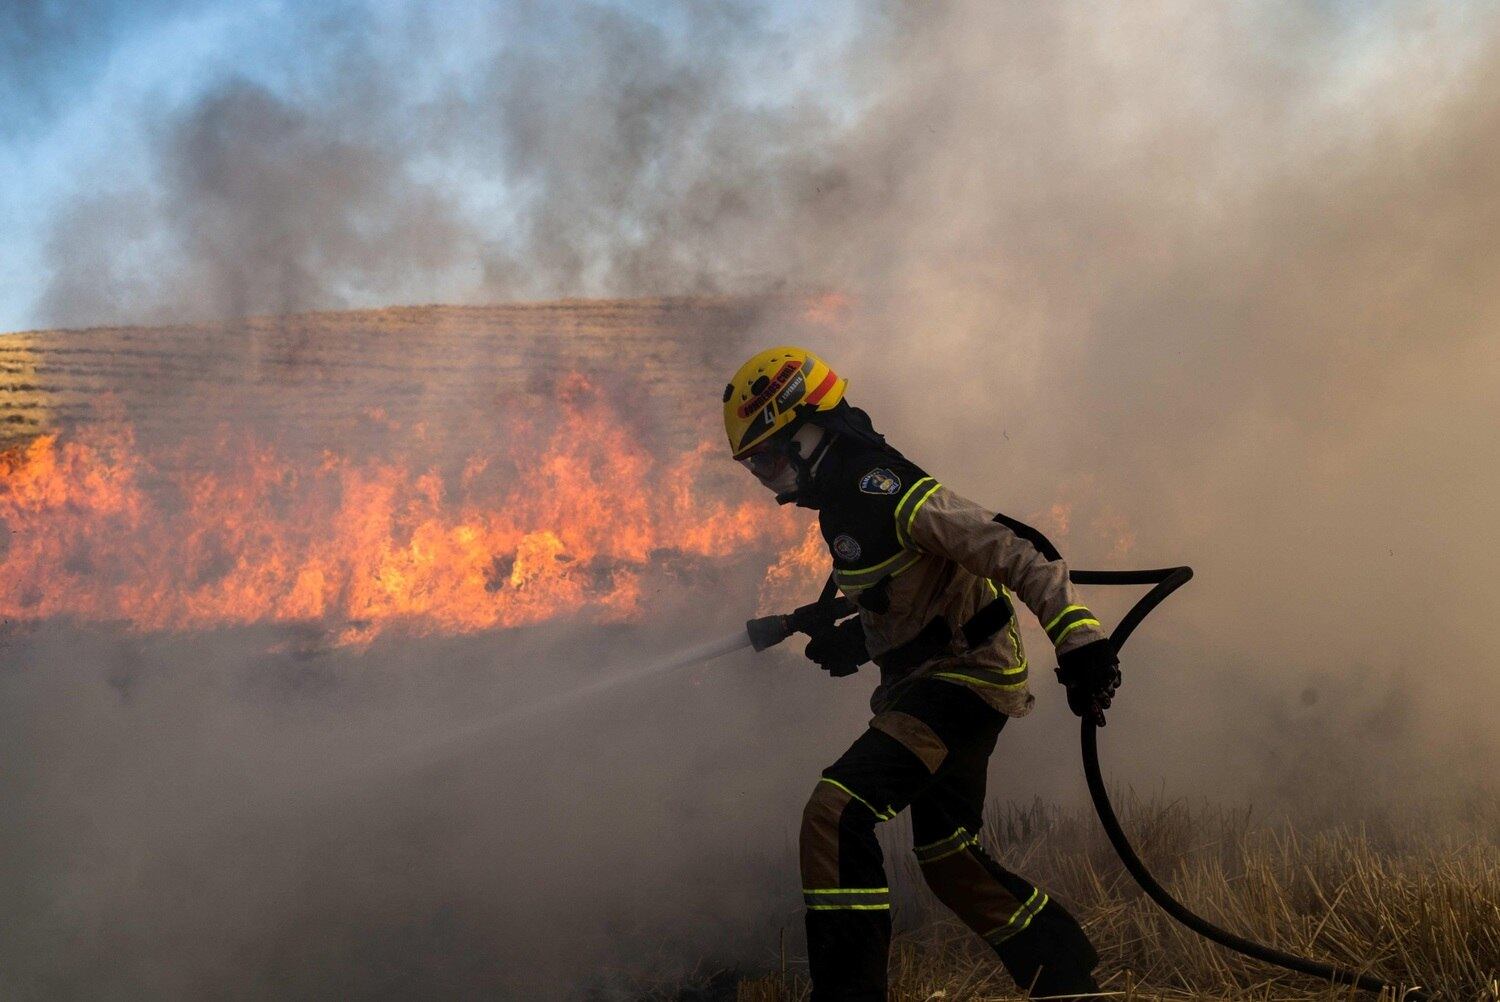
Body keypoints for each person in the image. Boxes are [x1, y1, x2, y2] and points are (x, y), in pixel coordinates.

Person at [723, 346, 1122, 1000]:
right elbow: (907, 586)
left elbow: (1023, 550)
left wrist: (1080, 644)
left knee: (835, 814)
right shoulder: (844, 505)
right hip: (932, 682)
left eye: (768, 458)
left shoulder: (888, 489)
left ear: (809, 431)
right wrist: (862, 637)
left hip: (962, 684)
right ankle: (1065, 975)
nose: (766, 478)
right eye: (755, 465)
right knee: (950, 861)